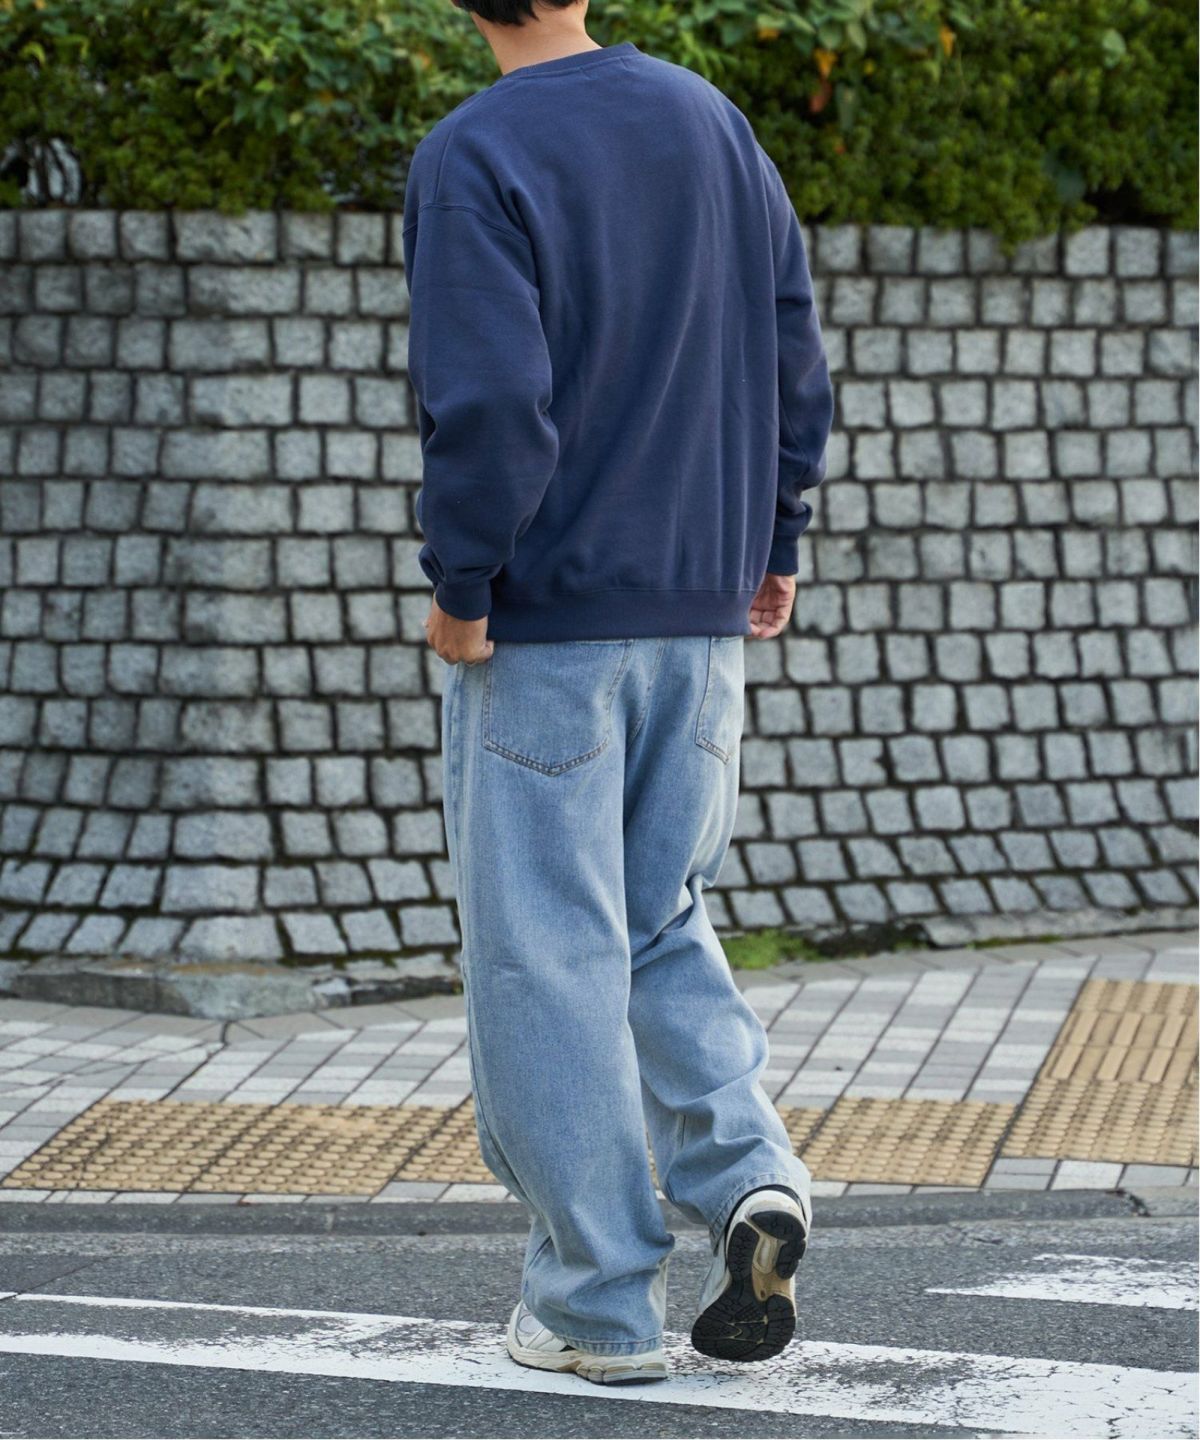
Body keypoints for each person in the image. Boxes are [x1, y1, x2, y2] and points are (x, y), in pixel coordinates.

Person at [402, 0, 835, 1386]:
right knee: (658, 917)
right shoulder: (713, 124)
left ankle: (594, 1306)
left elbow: (490, 400)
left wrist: (464, 583)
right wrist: (774, 540)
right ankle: (752, 1177)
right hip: (701, 620)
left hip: (550, 629)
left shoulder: (475, 152)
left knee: (545, 952)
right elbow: (791, 349)